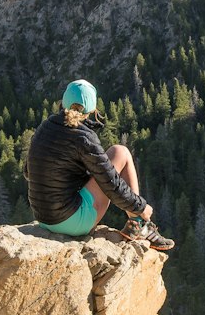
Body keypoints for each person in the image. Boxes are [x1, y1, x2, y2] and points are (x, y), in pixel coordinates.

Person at [24, 79, 173, 250]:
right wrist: (140, 207)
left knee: (106, 165)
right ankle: (138, 223)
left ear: (63, 102)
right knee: (120, 152)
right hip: (69, 222)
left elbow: (29, 172)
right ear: (92, 110)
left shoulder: (45, 127)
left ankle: (137, 224)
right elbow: (111, 183)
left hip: (43, 218)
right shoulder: (84, 136)